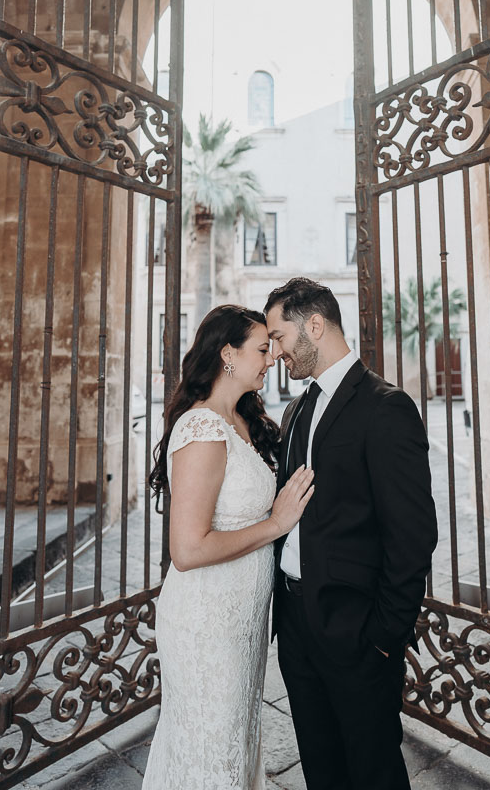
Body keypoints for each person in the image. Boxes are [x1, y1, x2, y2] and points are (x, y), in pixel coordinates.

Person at [265, 278, 437, 790]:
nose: (275, 353)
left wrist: (385, 639)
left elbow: (412, 536)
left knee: (373, 771)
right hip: (295, 627)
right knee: (322, 768)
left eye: (278, 337)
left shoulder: (386, 407)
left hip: (358, 633)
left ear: (314, 325)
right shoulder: (296, 410)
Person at [143, 304, 314, 790]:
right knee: (209, 748)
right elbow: (188, 550)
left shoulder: (241, 420)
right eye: (263, 349)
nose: (273, 357)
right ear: (227, 355)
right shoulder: (200, 428)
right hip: (206, 623)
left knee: (235, 742)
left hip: (242, 620)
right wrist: (277, 523)